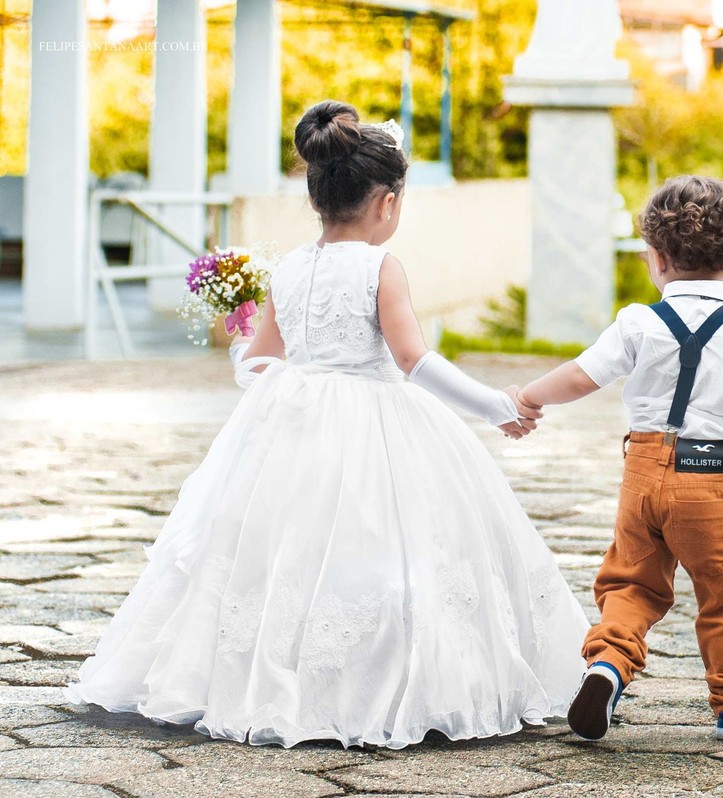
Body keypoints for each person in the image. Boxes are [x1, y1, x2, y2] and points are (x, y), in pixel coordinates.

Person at [63, 100, 589, 749]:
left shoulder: (288, 267)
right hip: (374, 421)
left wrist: (251, 345)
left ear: (317, 198)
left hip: (289, 425)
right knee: (387, 542)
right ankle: (382, 677)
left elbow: (254, 365)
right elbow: (411, 359)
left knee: (287, 549)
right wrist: (496, 406)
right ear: (388, 204)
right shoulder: (379, 266)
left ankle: (285, 674)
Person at [517, 175, 723, 742]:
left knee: (631, 584)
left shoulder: (638, 322)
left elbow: (580, 376)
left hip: (642, 476)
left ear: (657, 258)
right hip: (713, 482)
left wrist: (530, 396)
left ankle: (607, 665)